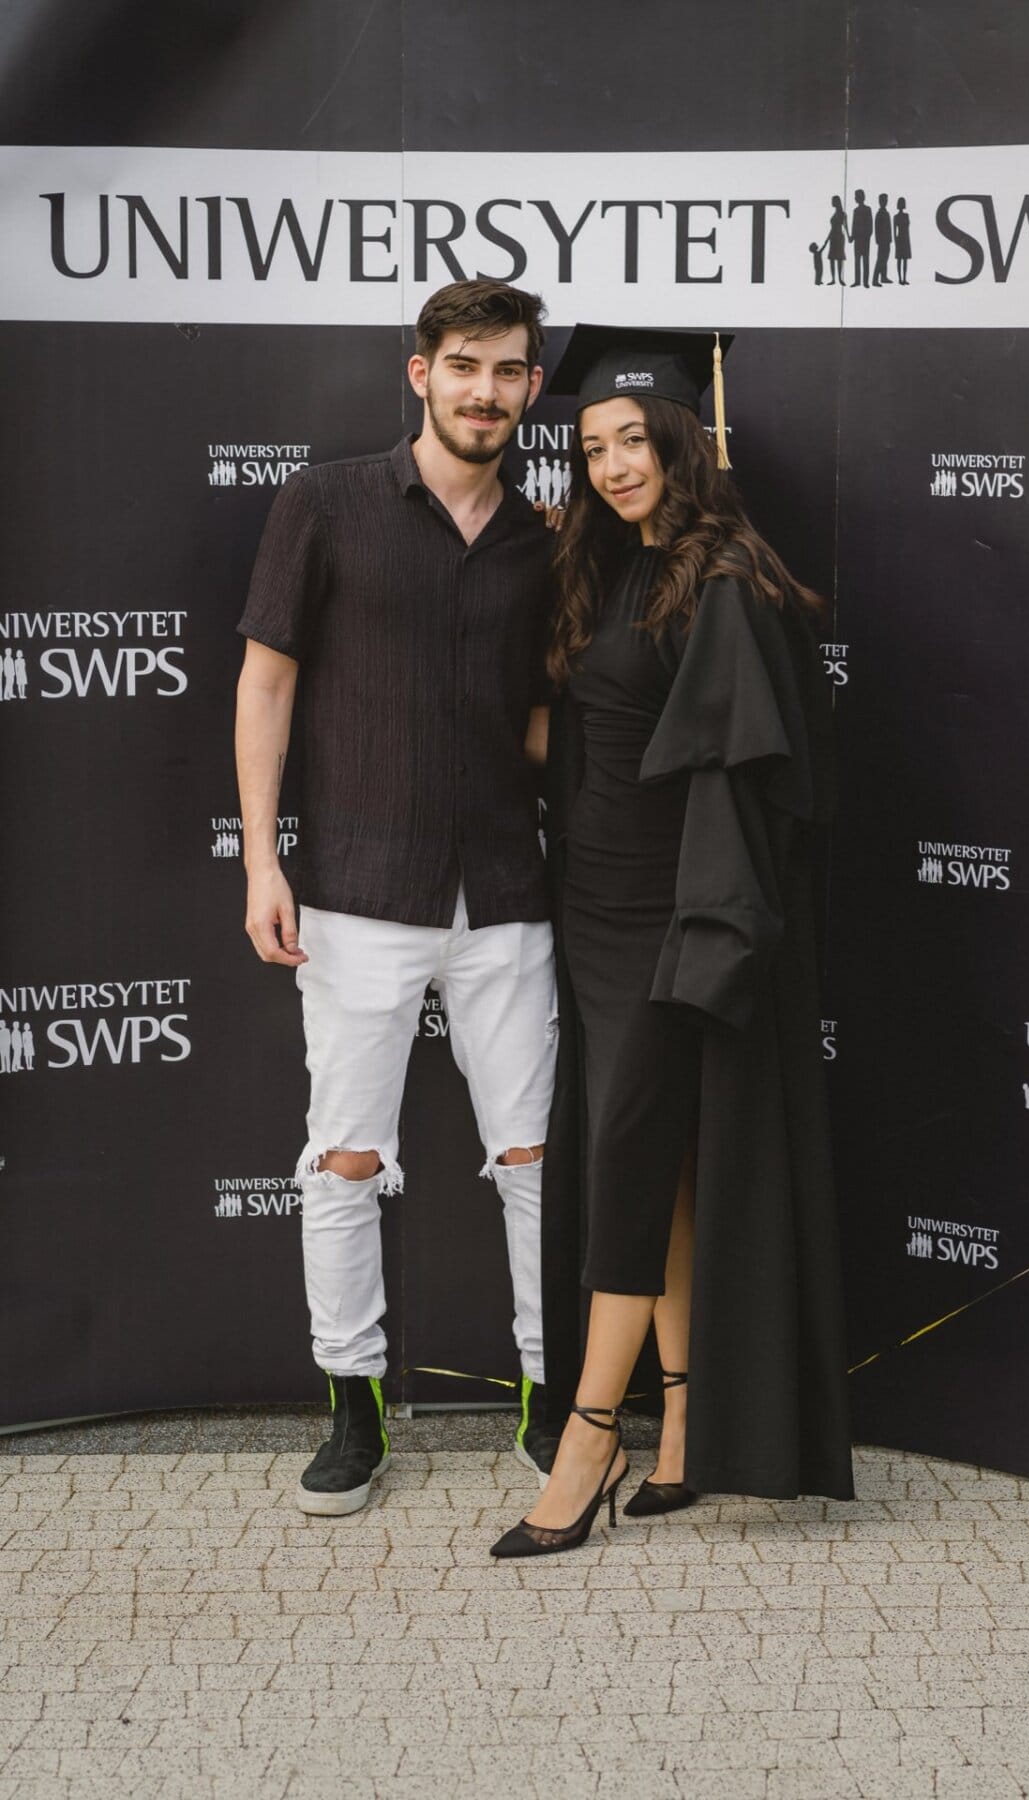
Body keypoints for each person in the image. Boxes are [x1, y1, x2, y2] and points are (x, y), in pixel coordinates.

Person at [491, 325, 853, 1559]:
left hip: (671, 912)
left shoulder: (726, 584)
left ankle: (590, 1437)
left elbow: (749, 785)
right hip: (590, 904)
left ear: (682, 443)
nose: (611, 464)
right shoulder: (605, 569)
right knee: (664, 1163)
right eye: (591, 445)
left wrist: (711, 932)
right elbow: (578, 738)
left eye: (633, 440)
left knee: (629, 1166)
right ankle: (687, 1422)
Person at [234, 278, 563, 1517]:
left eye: (510, 369)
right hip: (360, 892)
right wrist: (264, 861)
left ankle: (550, 1400)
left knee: (532, 1156)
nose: (488, 389)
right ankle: (353, 1408)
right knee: (347, 1160)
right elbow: (265, 688)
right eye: (466, 364)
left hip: (509, 894)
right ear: (418, 372)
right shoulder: (321, 503)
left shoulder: (546, 540)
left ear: (533, 387)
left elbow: (539, 725)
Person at [850, 190, 872, 287]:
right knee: (857, 261)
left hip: (865, 239)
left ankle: (865, 282)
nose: (856, 198)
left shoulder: (868, 209)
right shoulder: (855, 211)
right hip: (858, 239)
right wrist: (852, 236)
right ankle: (857, 281)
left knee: (865, 260)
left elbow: (870, 225)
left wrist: (868, 235)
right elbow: (854, 226)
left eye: (857, 196)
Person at [872, 193, 893, 286]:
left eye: (886, 200)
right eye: (883, 200)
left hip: (887, 240)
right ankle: (875, 280)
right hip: (882, 241)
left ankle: (883, 277)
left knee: (885, 259)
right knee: (880, 259)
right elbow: (876, 228)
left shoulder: (886, 213)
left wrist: (890, 239)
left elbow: (889, 228)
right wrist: (878, 240)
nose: (885, 202)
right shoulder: (879, 214)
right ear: (880, 201)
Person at [827, 197, 847, 286]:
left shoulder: (842, 214)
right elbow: (832, 229)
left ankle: (839, 278)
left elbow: (845, 226)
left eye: (833, 201)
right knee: (832, 258)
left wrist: (849, 236)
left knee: (839, 258)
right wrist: (827, 239)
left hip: (839, 237)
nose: (831, 202)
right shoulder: (835, 213)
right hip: (833, 237)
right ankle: (833, 279)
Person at [894, 198, 911, 285]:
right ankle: (900, 279)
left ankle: (903, 278)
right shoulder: (897, 217)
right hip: (901, 238)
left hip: (904, 238)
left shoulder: (905, 216)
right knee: (901, 260)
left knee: (903, 260)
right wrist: (895, 241)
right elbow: (894, 231)